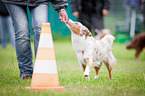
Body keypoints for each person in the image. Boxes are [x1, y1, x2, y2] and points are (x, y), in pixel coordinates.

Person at [2, 0, 68, 79]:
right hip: (15, 1)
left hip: (40, 1)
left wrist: (61, 7)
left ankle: (42, 71)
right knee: (22, 32)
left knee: (41, 31)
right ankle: (26, 72)